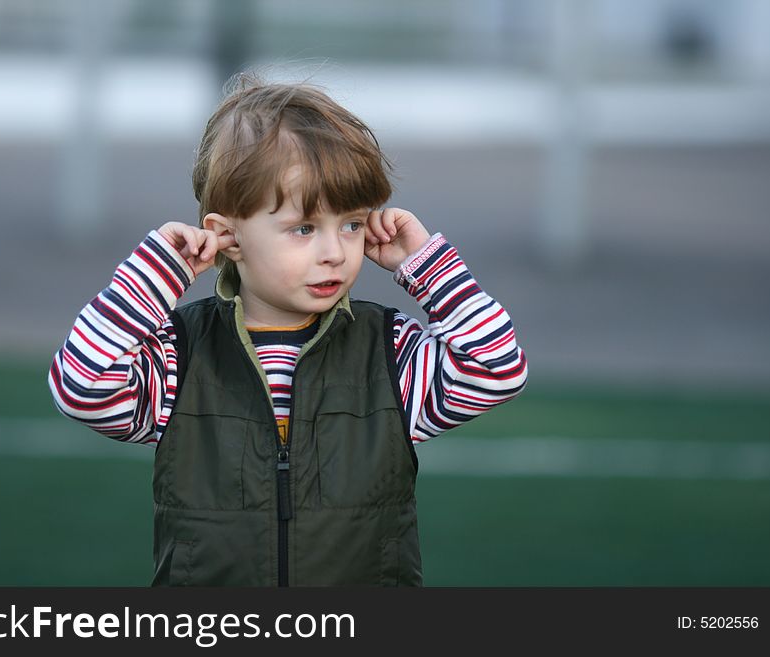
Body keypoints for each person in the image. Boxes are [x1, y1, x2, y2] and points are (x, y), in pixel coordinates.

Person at [48, 73, 528, 587]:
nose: (334, 252)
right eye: (304, 228)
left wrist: (429, 266)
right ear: (226, 236)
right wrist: (155, 276)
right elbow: (83, 387)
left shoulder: (389, 353)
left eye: (351, 224)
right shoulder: (178, 359)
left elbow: (496, 370)